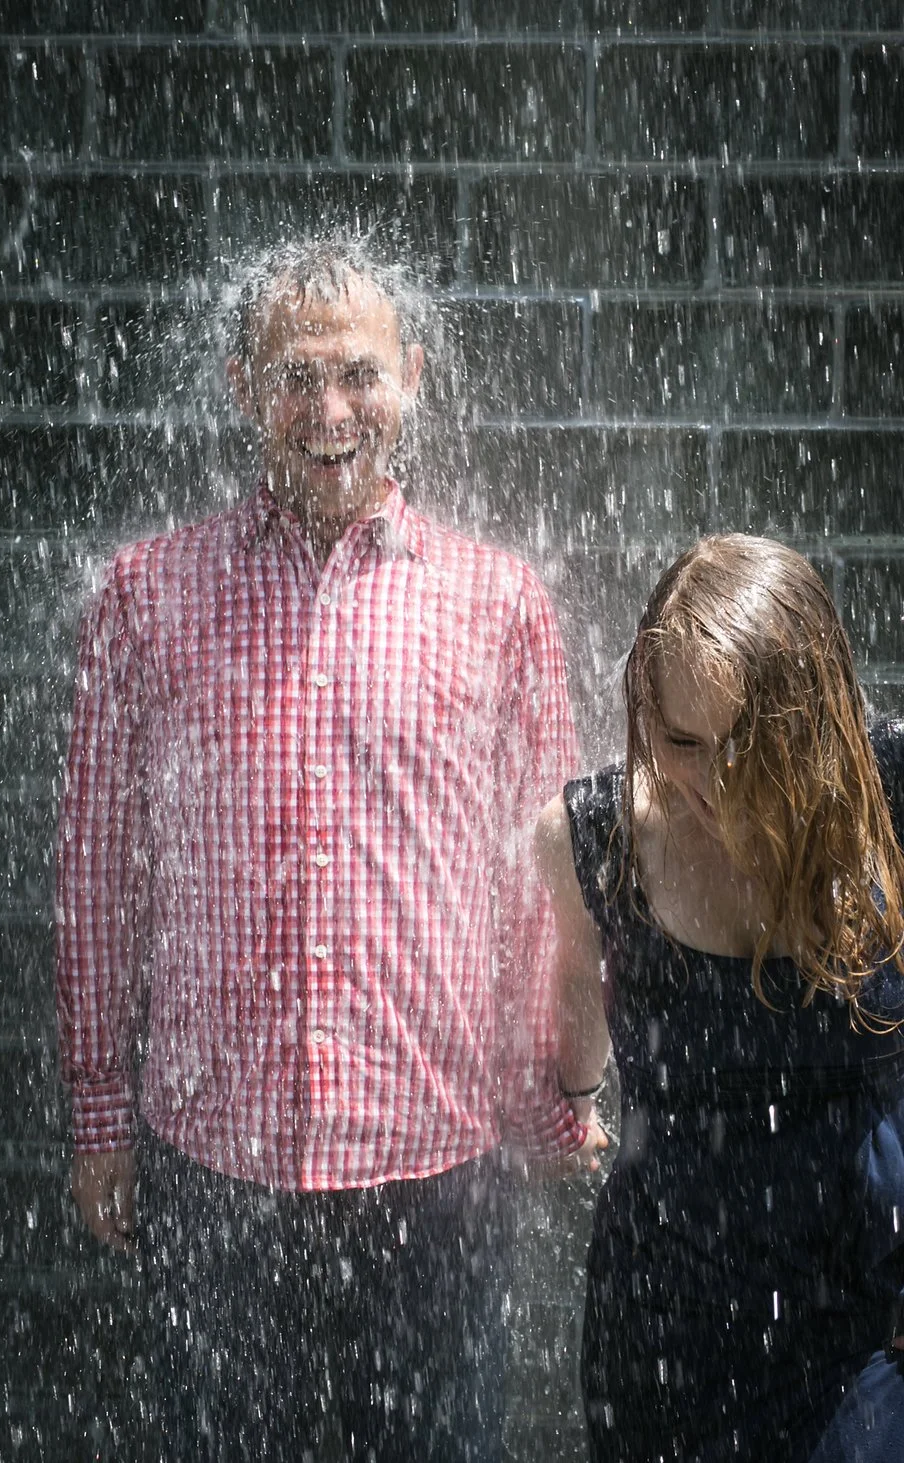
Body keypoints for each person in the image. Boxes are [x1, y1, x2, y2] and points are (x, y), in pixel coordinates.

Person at [56, 236, 596, 1462]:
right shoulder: (146, 595)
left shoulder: (498, 601)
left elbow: (544, 883)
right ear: (243, 386)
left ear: (411, 378)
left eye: (357, 373)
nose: (329, 410)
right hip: (213, 1160)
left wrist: (549, 1092)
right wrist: (97, 1112)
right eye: (295, 377)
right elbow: (97, 873)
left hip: (437, 1159)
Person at [537, 533, 904, 1463]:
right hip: (665, 1322)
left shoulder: (892, 799)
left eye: (754, 742)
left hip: (866, 1313)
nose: (717, 780)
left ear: (816, 710)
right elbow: (577, 981)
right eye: (682, 742)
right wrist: (574, 1097)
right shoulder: (597, 839)